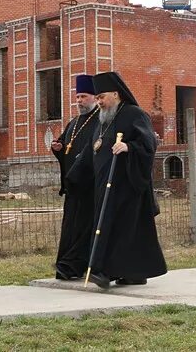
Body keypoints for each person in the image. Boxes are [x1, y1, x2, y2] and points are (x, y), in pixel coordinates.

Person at [80, 71, 167, 288]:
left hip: (128, 184)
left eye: (102, 97)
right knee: (110, 225)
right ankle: (132, 273)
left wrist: (129, 146)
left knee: (122, 228)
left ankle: (105, 271)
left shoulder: (134, 114)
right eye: (97, 98)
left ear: (116, 94)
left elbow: (149, 144)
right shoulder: (103, 119)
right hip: (105, 184)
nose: (99, 102)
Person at [50, 75, 100, 280]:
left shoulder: (100, 120)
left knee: (84, 227)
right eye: (77, 96)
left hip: (89, 185)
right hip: (73, 186)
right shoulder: (73, 122)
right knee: (70, 226)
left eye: (84, 96)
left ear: (95, 98)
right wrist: (58, 148)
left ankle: (74, 265)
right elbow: (65, 146)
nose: (79, 100)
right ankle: (67, 264)